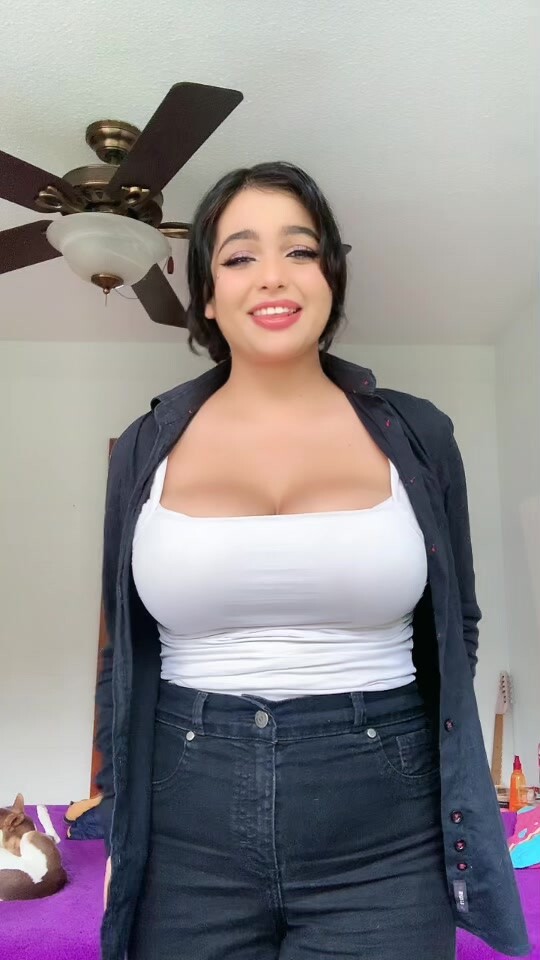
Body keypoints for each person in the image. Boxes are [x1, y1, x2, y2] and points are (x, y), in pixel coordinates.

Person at [95, 161, 529, 960]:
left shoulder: (418, 435)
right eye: (240, 255)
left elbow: (455, 623)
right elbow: (121, 654)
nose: (273, 275)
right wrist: (118, 816)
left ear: (331, 276)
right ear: (206, 293)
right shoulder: (145, 448)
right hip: (185, 819)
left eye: (300, 250)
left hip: (386, 826)